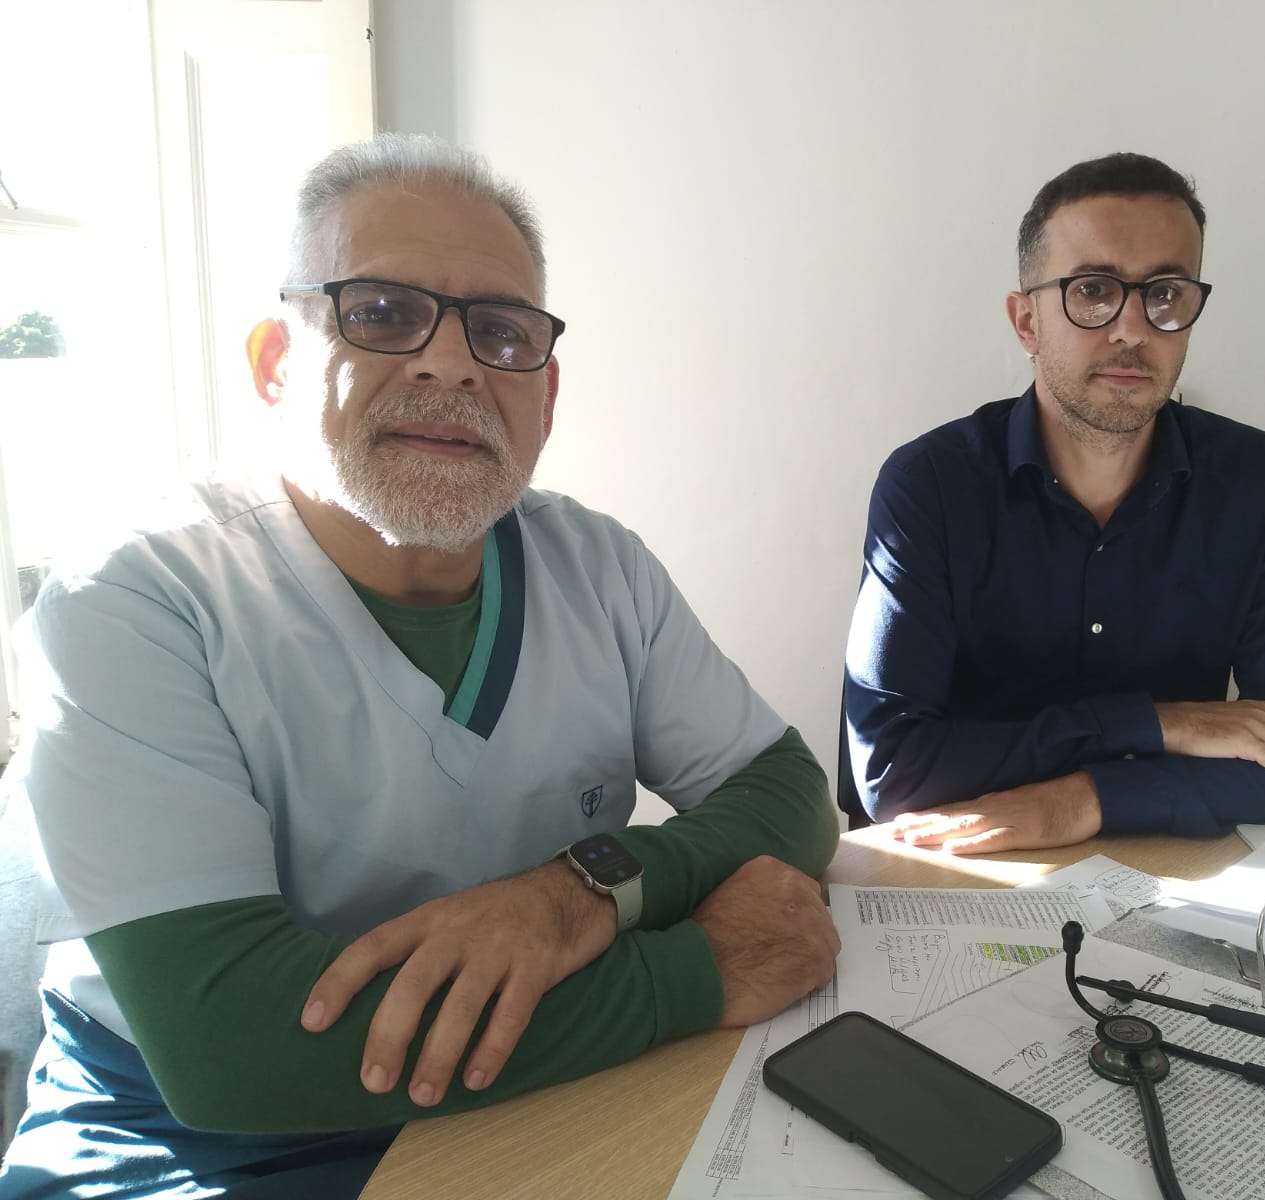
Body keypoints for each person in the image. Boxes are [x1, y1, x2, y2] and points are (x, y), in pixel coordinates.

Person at [0, 134, 839, 1198]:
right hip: (196, 1142)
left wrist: (581, 893)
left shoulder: (600, 567)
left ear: (545, 393)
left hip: (545, 1084)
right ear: (274, 362)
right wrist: (694, 971)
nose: (451, 365)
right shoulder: (134, 601)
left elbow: (787, 792)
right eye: (383, 312)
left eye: (501, 332)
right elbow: (234, 1045)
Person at [842, 152, 1265, 851]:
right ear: (1026, 322)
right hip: (964, 874)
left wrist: (1083, 800)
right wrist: (1164, 725)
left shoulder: (1262, 484)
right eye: (1092, 291)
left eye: (1166, 293)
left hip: (1177, 876)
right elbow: (890, 773)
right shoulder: (931, 487)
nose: (1133, 329)